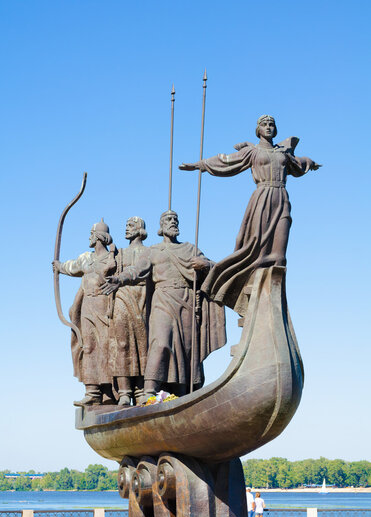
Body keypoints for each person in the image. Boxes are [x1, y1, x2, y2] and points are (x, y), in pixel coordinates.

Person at [179, 115, 321, 315]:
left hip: (281, 199)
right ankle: (246, 291)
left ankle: (273, 305)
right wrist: (199, 165)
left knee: (279, 257)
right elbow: (226, 161)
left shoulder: (282, 153)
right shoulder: (253, 152)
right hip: (262, 201)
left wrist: (311, 163)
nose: (269, 127)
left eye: (272, 124)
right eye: (264, 125)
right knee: (255, 248)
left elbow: (299, 164)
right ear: (258, 130)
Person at [101, 210, 226, 398]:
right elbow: (136, 270)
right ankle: (149, 391)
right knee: (160, 343)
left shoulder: (190, 249)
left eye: (176, 219)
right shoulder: (154, 251)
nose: (173, 222)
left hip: (186, 301)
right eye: (168, 220)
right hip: (163, 300)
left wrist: (205, 265)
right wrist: (119, 279)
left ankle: (183, 393)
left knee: (186, 349)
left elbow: (215, 268)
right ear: (161, 226)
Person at [52, 220, 116, 406]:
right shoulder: (86, 258)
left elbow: (113, 270)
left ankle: (108, 391)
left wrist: (112, 253)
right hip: (87, 306)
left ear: (98, 236)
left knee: (106, 348)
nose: (89, 237)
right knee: (88, 347)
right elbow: (70, 267)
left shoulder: (112, 258)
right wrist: (59, 266)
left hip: (104, 306)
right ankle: (92, 391)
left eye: (91, 233)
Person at [111, 217, 150, 407]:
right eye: (126, 225)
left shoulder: (149, 252)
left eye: (131, 226)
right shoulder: (119, 254)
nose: (127, 229)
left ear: (140, 229)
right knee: (122, 344)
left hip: (141, 298)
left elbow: (144, 271)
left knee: (142, 346)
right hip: (121, 298)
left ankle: (141, 391)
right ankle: (124, 392)